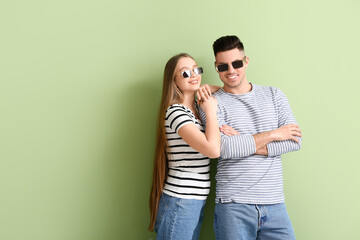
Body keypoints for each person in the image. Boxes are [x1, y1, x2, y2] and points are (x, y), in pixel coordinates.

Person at [198, 35, 302, 240]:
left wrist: (243, 140)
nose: (231, 71)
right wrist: (273, 134)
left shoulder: (274, 95)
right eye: (223, 66)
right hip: (233, 205)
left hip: (275, 204)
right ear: (216, 67)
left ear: (246, 61)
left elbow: (294, 140)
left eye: (236, 63)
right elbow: (223, 148)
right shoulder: (211, 104)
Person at [148, 53, 221, 240]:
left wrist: (203, 92)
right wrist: (211, 111)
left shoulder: (194, 111)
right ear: (174, 81)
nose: (194, 75)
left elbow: (225, 91)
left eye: (196, 69)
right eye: (185, 73)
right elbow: (212, 150)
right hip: (181, 199)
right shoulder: (176, 112)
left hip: (195, 199)